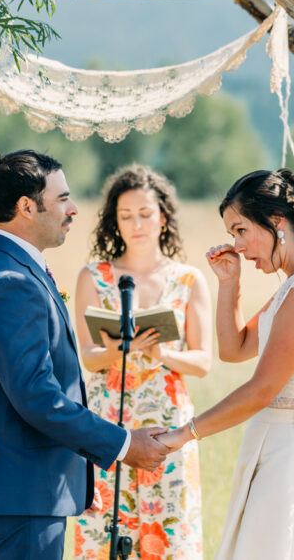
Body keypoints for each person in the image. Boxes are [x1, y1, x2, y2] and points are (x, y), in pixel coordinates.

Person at [0, 150, 171, 560]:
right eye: (62, 199)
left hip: (19, 490)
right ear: (26, 207)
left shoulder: (8, 266)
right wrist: (124, 444)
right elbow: (37, 396)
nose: (73, 209)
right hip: (22, 492)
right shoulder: (10, 280)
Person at [158, 168, 294, 560]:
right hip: (292, 447)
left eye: (241, 230)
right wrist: (229, 284)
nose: (236, 245)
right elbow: (235, 347)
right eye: (232, 233)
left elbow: (262, 390)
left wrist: (184, 434)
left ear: (276, 222)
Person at [72, 165, 213, 560]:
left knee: (170, 533)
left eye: (145, 214)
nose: (137, 224)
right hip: (106, 421)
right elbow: (87, 357)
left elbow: (203, 362)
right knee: (104, 534)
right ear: (114, 222)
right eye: (126, 216)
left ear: (163, 216)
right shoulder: (93, 276)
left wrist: (161, 353)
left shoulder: (188, 279)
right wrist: (123, 349)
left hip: (167, 423)